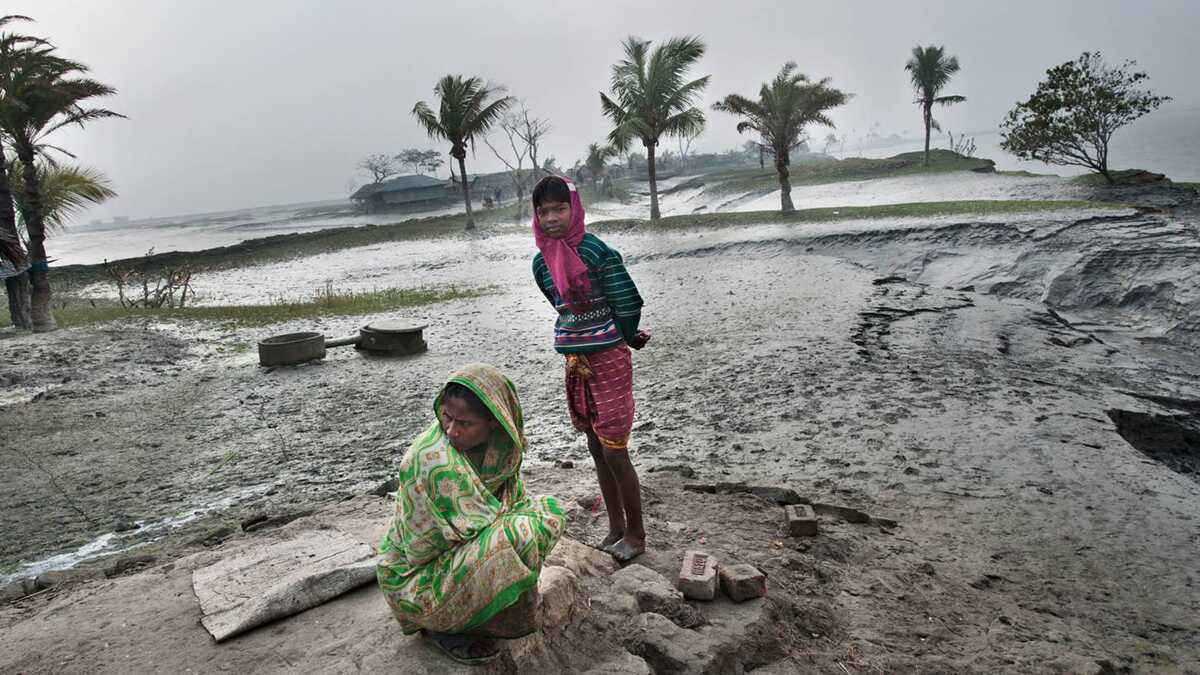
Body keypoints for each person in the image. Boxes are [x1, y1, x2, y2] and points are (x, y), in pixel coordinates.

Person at [376, 364, 564, 665]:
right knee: (518, 535)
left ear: (495, 421)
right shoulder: (432, 460)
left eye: (464, 422)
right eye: (447, 417)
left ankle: (483, 613)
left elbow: (513, 504)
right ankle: (443, 626)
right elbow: (437, 544)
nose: (451, 430)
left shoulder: (503, 450)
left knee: (548, 513)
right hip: (417, 575)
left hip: (456, 555)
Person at [530, 175, 651, 562]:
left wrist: (626, 335)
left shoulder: (598, 252)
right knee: (595, 445)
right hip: (576, 359)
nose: (552, 217)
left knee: (615, 448)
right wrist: (584, 332)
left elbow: (627, 300)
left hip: (609, 357)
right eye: (544, 211)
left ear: (575, 209)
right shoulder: (540, 261)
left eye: (559, 208)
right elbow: (559, 305)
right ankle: (614, 527)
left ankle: (636, 534)